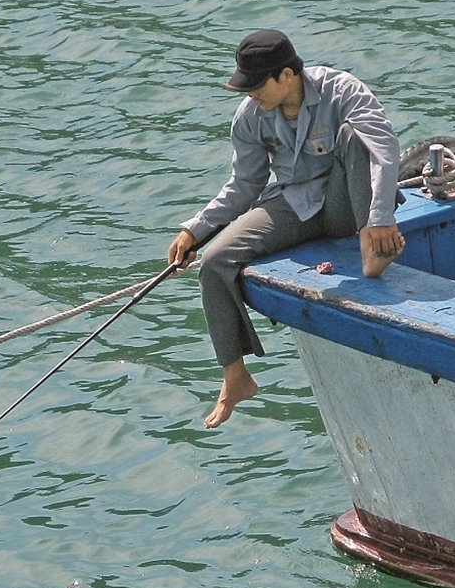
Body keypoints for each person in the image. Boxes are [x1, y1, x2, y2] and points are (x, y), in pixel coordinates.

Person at [168, 29, 405, 429]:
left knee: (357, 136)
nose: (251, 95)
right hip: (293, 203)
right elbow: (244, 184)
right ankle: (235, 377)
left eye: (258, 86)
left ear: (288, 76)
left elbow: (386, 152)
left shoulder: (342, 90)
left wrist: (379, 217)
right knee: (215, 261)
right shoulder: (250, 116)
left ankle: (373, 246)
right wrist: (196, 230)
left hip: (347, 203)